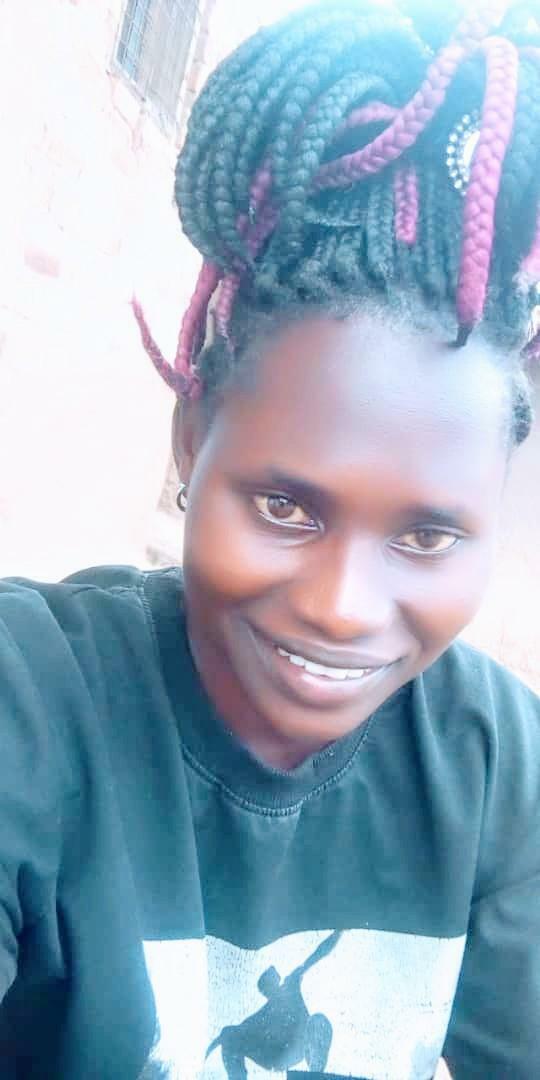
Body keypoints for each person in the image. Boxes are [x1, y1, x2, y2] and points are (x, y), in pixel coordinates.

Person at [1, 1, 540, 1076]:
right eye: (286, 508)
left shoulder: (497, 771)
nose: (341, 606)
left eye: (428, 535)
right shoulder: (36, 704)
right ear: (191, 435)